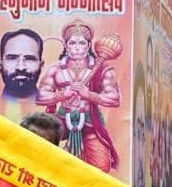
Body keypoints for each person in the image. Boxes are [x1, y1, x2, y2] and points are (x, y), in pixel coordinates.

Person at [37, 20, 121, 173]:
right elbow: (40, 96)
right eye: (72, 42)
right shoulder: (56, 69)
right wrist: (63, 95)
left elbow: (114, 98)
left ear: (88, 46)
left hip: (90, 121)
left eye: (82, 43)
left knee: (101, 166)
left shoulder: (102, 69)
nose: (77, 47)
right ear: (65, 45)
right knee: (40, 141)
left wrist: (87, 94)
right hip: (62, 118)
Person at [0, 29, 44, 102]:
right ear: (0, 65)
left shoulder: (56, 107)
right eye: (12, 58)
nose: (21, 68)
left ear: (41, 65)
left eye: (30, 59)